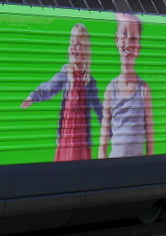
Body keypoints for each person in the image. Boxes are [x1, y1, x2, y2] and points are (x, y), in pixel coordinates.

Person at [22, 23, 102, 161]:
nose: (74, 47)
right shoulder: (66, 73)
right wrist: (33, 96)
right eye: (72, 43)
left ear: (85, 49)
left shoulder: (89, 80)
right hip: (67, 133)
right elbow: (50, 87)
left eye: (78, 44)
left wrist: (111, 128)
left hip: (81, 135)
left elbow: (99, 108)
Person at [99, 13, 154, 158]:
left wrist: (150, 157)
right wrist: (101, 159)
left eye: (134, 38)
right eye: (124, 34)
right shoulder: (111, 89)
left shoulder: (144, 90)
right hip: (114, 161)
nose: (128, 42)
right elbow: (104, 131)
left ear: (138, 47)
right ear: (116, 40)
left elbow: (150, 129)